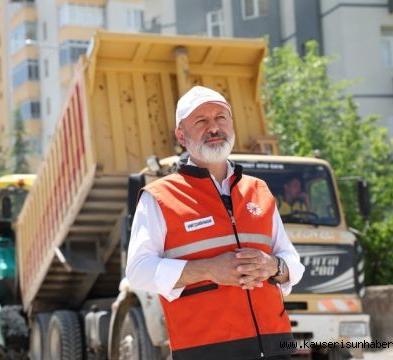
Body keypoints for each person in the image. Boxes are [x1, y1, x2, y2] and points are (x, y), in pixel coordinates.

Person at [126, 86, 305, 360]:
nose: (214, 128)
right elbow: (138, 271)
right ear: (181, 136)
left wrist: (274, 266)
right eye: (201, 121)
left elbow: (292, 262)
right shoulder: (160, 197)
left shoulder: (259, 190)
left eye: (221, 117)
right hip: (206, 349)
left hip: (275, 345)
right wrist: (208, 269)